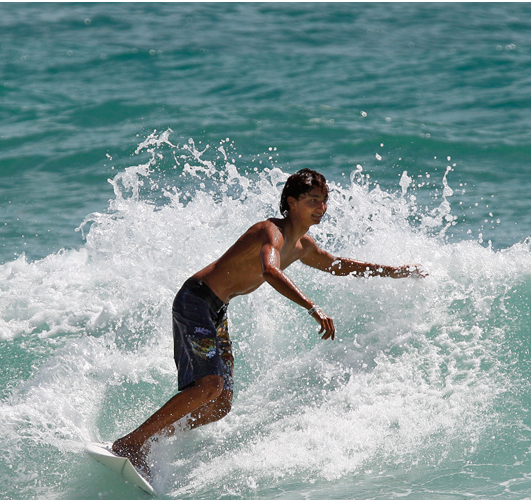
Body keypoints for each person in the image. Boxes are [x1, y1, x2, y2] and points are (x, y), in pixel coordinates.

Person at [110, 168, 427, 477]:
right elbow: (270, 270)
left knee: (220, 405)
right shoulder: (270, 231)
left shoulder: (303, 246)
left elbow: (337, 265)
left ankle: (150, 439)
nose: (321, 207)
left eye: (324, 200)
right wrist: (312, 307)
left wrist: (395, 271)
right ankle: (131, 443)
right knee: (210, 386)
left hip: (216, 309)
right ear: (291, 202)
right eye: (313, 200)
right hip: (196, 301)